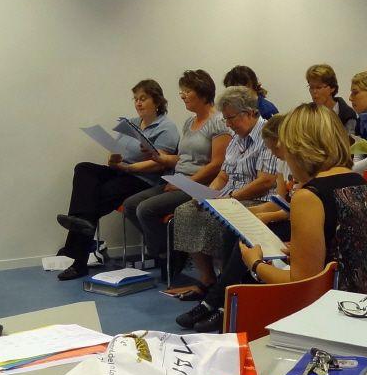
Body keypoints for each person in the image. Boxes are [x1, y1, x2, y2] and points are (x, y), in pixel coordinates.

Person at [238, 103, 367, 295]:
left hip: (332, 306)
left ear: (298, 148)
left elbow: (302, 283)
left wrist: (255, 263)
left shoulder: (309, 197)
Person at [55, 79, 180, 280]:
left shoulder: (167, 127)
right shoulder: (131, 123)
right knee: (83, 169)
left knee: (95, 199)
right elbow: (116, 152)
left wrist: (128, 167)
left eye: (143, 99)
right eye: (135, 99)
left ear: (157, 101)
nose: (138, 103)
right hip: (123, 170)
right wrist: (113, 160)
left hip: (143, 179)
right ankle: (80, 225)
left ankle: (78, 258)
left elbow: (159, 164)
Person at [171, 87, 279, 309]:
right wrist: (206, 194)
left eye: (231, 118)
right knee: (186, 211)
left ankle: (225, 283)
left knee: (219, 220)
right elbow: (223, 175)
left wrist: (231, 197)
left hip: (257, 199)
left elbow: (266, 181)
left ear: (249, 113)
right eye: (225, 119)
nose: (227, 124)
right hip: (229, 196)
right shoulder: (236, 138)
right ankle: (208, 279)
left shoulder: (266, 135)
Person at [121, 70, 230, 285]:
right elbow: (182, 158)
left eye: (187, 91)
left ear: (202, 92)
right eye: (182, 91)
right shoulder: (189, 122)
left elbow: (217, 164)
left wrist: (187, 183)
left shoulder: (218, 122)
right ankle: (172, 251)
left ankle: (167, 255)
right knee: (130, 205)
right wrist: (159, 157)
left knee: (146, 209)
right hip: (178, 179)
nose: (182, 96)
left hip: (199, 184)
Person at [306, 64, 357, 133]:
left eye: (319, 87)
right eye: (311, 87)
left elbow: (348, 139)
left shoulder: (347, 115)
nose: (314, 91)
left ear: (332, 88)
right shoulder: (306, 113)